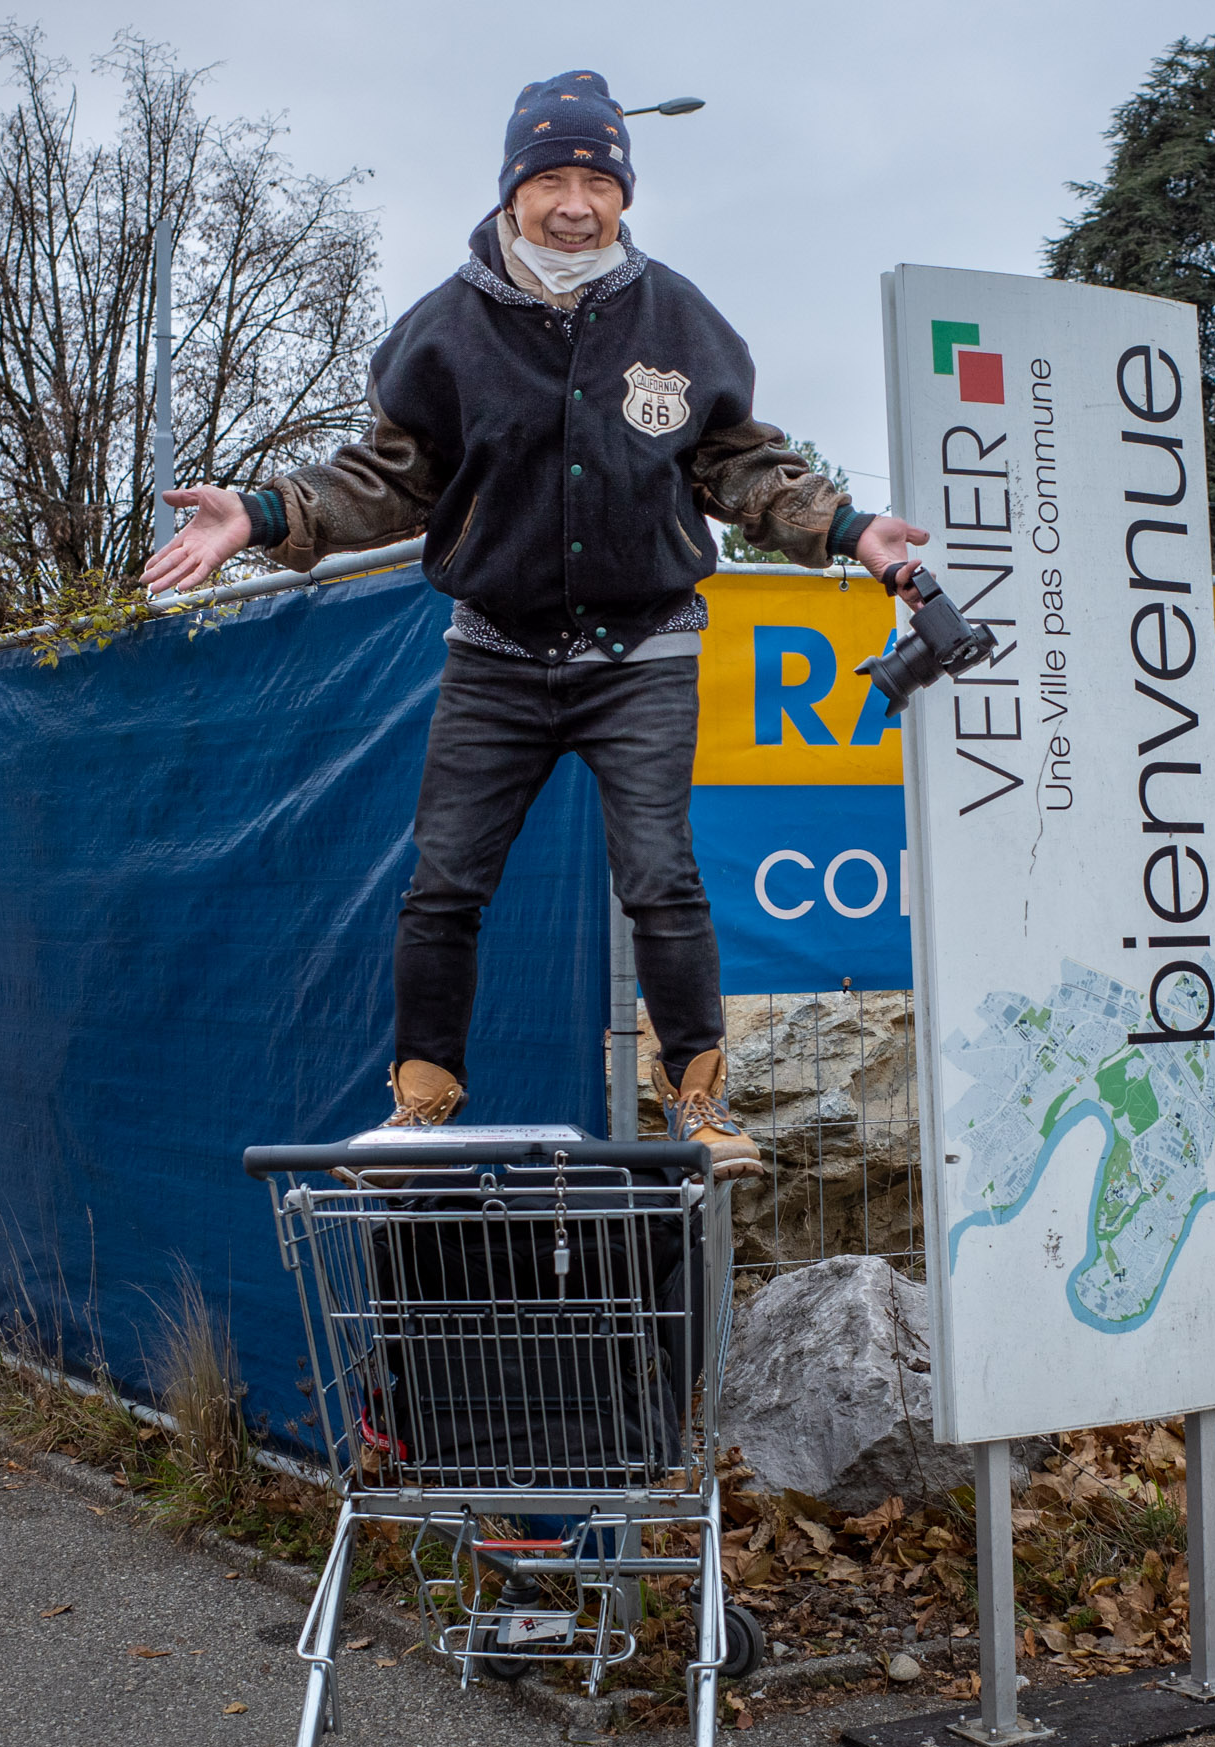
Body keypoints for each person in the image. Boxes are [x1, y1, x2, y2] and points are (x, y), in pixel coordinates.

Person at [143, 69, 925, 1176]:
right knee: (444, 882)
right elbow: (389, 477)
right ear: (512, 189)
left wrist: (850, 531)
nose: (574, 202)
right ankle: (420, 1102)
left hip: (642, 645)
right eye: (550, 177)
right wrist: (265, 514)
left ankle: (699, 1101)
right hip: (497, 653)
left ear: (624, 194)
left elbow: (742, 464)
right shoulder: (448, 329)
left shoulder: (677, 319)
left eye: (596, 179)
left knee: (661, 875)